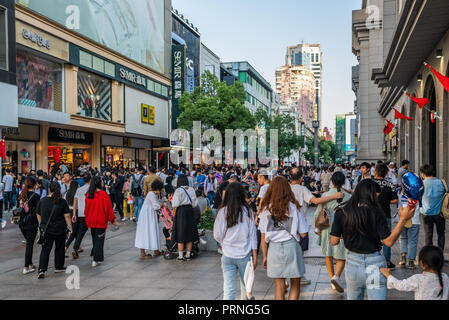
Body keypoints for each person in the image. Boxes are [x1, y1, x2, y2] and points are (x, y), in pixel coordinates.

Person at [330, 179, 416, 300]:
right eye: (376, 196)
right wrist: (403, 220)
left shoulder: (342, 211)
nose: (377, 199)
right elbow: (388, 242)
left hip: (353, 265)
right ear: (370, 195)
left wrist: (347, 232)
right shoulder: (377, 212)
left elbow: (333, 241)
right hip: (374, 266)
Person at [259, 176, 309, 300]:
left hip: (274, 249)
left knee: (279, 287)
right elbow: (303, 234)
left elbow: (263, 236)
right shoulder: (295, 207)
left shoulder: (266, 210)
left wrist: (265, 256)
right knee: (295, 284)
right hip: (292, 247)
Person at [214, 182, 258, 300]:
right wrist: (255, 255)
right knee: (246, 287)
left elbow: (217, 234)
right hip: (245, 255)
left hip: (227, 255)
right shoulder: (248, 211)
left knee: (228, 288)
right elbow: (253, 235)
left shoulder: (222, 212)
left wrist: (223, 243)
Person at [314, 172, 351, 293]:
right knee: (342, 255)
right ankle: (337, 277)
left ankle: (332, 279)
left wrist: (317, 227)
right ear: (344, 182)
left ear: (332, 182)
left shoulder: (326, 194)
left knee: (328, 254)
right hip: (343, 230)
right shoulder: (348, 196)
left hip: (327, 228)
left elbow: (318, 213)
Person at [380, 246, 449, 300]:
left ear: (422, 264)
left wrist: (388, 275)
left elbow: (400, 285)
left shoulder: (419, 279)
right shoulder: (445, 277)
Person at [36, 182, 73, 279]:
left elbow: (38, 214)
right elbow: (67, 216)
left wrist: (42, 225)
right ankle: (58, 266)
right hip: (59, 229)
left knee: (45, 249)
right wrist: (70, 227)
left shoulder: (42, 201)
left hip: (46, 230)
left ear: (49, 189)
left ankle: (42, 269)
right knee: (59, 248)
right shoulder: (62, 201)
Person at [85, 176, 118, 267]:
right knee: (99, 240)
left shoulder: (89, 194)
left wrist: (87, 219)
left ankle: (97, 257)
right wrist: (112, 220)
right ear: (99, 183)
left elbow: (86, 209)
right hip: (101, 221)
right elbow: (108, 209)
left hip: (92, 220)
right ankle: (96, 259)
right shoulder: (103, 194)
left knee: (95, 239)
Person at [374, 163, 398, 269]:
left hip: (372, 215)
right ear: (386, 173)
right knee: (387, 239)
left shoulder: (370, 183)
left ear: (375, 172)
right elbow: (396, 200)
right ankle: (387, 261)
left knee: (373, 237)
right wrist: (386, 201)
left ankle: (374, 259)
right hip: (385, 214)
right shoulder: (390, 184)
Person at [419, 165, 447, 258]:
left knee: (428, 235)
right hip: (440, 213)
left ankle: (428, 256)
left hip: (426, 213)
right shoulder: (441, 183)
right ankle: (440, 254)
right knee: (441, 234)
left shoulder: (421, 184)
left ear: (423, 174)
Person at [171, 174, 199, 261]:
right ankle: (188, 255)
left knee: (181, 232)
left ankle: (180, 256)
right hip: (190, 211)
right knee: (189, 233)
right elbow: (195, 203)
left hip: (181, 212)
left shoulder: (178, 190)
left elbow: (175, 204)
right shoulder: (191, 189)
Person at [135, 179, 164, 259]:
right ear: (157, 189)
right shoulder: (151, 194)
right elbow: (156, 206)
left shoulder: (151, 194)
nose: (160, 192)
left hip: (148, 215)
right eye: (160, 190)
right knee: (148, 231)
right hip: (148, 216)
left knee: (150, 231)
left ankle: (155, 250)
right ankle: (144, 253)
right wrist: (162, 205)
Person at [17, 177, 40, 275]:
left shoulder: (22, 194)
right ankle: (26, 267)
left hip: (22, 223)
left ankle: (30, 263)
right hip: (31, 223)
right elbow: (38, 211)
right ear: (34, 185)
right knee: (29, 244)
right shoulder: (35, 196)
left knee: (29, 242)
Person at [68, 174, 91, 259]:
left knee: (79, 231)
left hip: (80, 213)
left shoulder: (79, 190)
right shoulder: (91, 189)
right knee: (82, 232)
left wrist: (74, 214)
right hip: (88, 213)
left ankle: (75, 247)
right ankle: (75, 248)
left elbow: (75, 203)